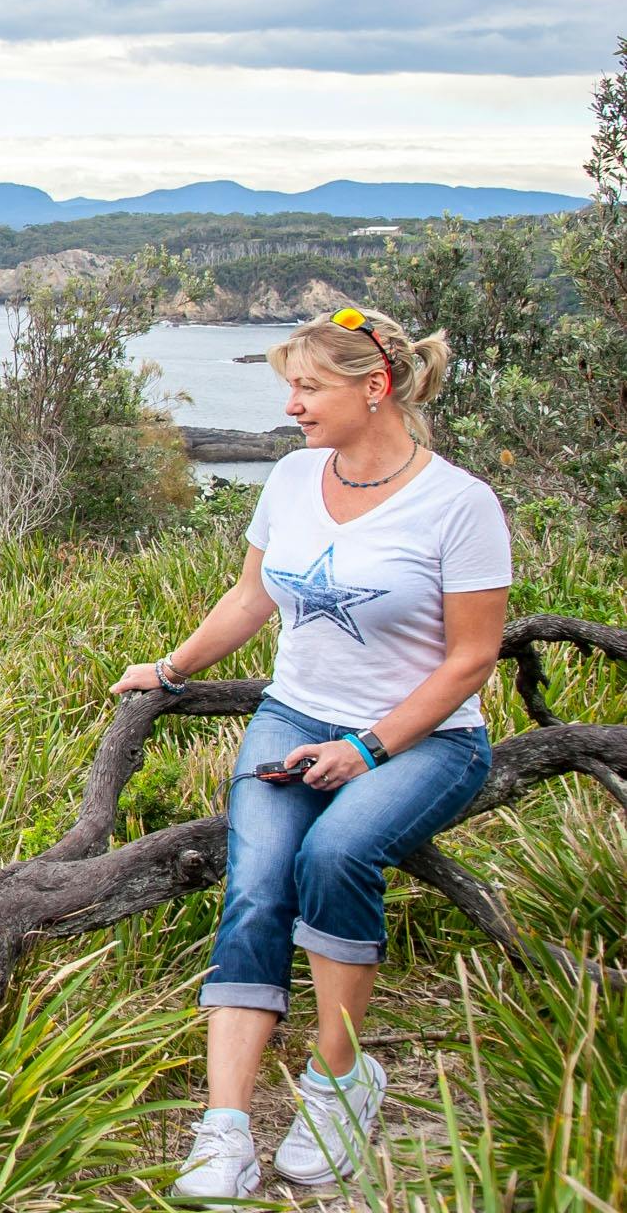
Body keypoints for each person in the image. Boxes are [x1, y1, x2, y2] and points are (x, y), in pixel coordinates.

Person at [113, 307, 510, 1200]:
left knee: (335, 853)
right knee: (256, 883)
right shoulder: (292, 479)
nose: (292, 405)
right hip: (293, 715)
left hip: (429, 739)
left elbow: (471, 658)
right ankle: (225, 1132)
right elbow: (251, 596)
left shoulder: (459, 503)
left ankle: (339, 1083)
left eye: (308, 387)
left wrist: (367, 749)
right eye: (288, 386)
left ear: (376, 389)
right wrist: (170, 671)